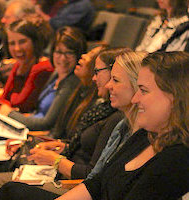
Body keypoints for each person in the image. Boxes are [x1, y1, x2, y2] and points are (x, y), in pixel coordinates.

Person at [0, 47, 131, 200]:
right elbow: (76, 144)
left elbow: (92, 174)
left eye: (114, 79)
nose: (99, 79)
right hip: (59, 168)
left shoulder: (116, 117)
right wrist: (60, 147)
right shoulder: (100, 105)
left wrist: (55, 160)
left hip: (68, 181)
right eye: (57, 51)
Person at [51, 51, 189, 200]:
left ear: (175, 97)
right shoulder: (144, 136)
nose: (135, 99)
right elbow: (96, 184)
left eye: (143, 90)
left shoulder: (178, 160)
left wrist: (55, 161)